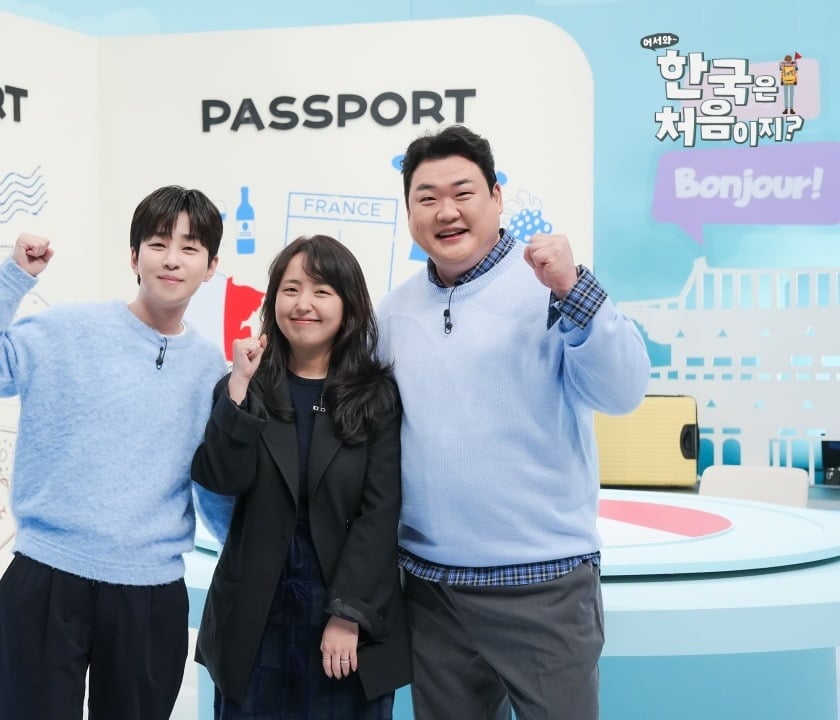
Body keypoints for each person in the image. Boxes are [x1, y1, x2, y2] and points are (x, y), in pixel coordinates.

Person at [376, 125, 650, 720]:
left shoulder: (550, 287)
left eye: (463, 193)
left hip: (543, 585)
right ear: (410, 212)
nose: (446, 211)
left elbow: (624, 391)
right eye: (426, 198)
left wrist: (574, 290)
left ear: (497, 197)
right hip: (431, 590)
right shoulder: (392, 313)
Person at [0, 185, 226, 720]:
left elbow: (213, 486)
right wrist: (12, 279)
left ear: (210, 267)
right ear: (134, 256)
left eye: (190, 248)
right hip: (47, 577)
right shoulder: (65, 331)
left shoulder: (213, 370)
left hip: (150, 593)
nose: (172, 259)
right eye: (158, 244)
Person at [191, 234, 412, 719]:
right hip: (254, 615)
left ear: (348, 305)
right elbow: (220, 478)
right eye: (290, 290)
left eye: (321, 291)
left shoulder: (376, 396)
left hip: (343, 609)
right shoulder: (244, 385)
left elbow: (380, 514)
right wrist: (239, 387)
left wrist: (347, 614)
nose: (303, 304)